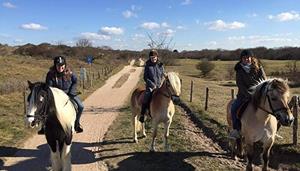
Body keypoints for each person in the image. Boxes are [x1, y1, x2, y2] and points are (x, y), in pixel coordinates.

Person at [38, 56, 84, 134]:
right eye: (58, 65)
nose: (60, 67)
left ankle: (77, 124)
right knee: (44, 106)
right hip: (56, 95)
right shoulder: (50, 74)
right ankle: (43, 126)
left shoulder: (70, 72)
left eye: (62, 65)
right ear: (55, 65)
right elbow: (49, 86)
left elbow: (75, 81)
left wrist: (71, 91)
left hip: (69, 93)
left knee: (81, 106)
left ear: (65, 65)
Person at [229, 49, 267, 139]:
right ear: (241, 59)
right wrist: (248, 95)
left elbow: (264, 81)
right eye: (244, 58)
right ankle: (236, 129)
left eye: (248, 58)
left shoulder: (259, 68)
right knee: (234, 109)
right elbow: (240, 84)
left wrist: (260, 93)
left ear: (251, 58)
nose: (246, 60)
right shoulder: (239, 70)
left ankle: (272, 129)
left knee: (272, 107)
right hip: (244, 95)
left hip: (259, 94)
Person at [139, 50, 165, 123]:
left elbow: (163, 74)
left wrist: (162, 82)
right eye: (152, 57)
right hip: (151, 86)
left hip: (159, 85)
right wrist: (152, 84)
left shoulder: (160, 65)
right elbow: (145, 77)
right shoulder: (147, 65)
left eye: (154, 57)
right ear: (150, 58)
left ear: (157, 57)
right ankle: (142, 114)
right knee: (147, 96)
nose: (153, 59)